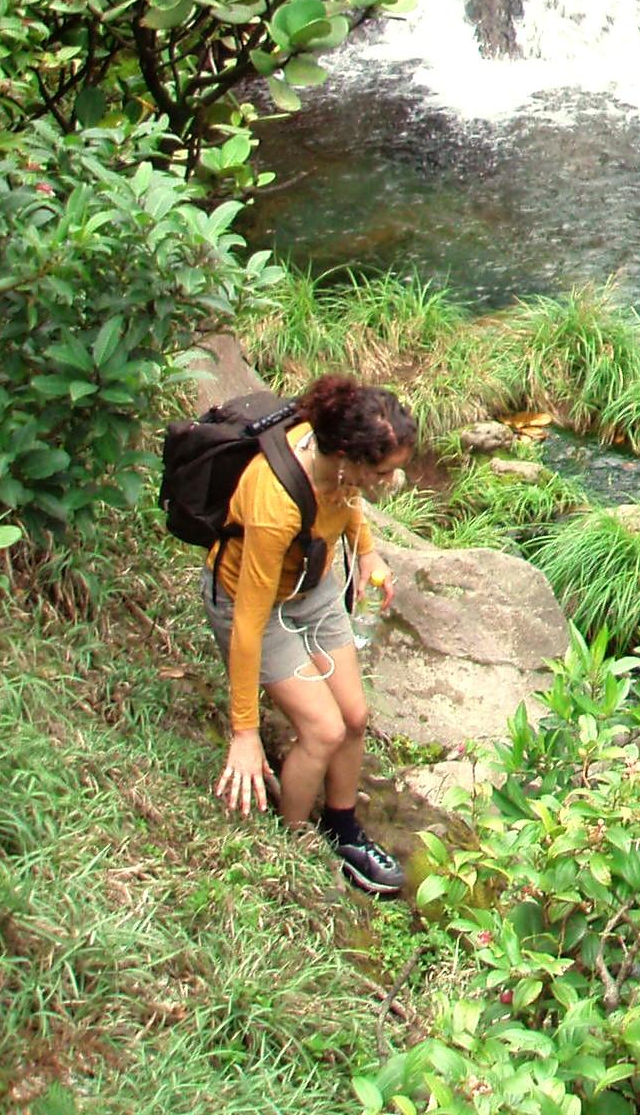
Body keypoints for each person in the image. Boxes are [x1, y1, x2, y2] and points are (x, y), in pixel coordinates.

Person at [206, 372, 419, 896]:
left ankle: (342, 827)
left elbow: (347, 502)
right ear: (348, 457)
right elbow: (249, 622)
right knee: (323, 729)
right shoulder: (274, 501)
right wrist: (245, 733)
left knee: (353, 717)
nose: (393, 481)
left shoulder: (337, 462)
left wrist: (367, 552)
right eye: (385, 472)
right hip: (253, 606)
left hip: (313, 584)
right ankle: (294, 840)